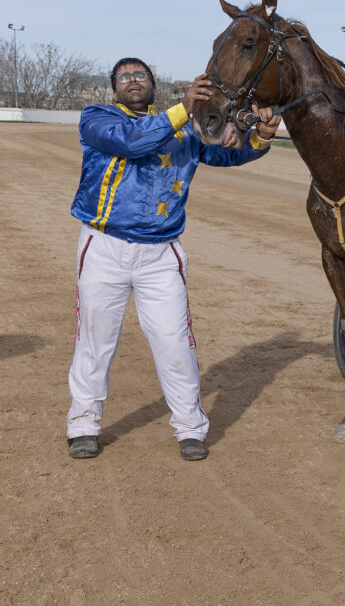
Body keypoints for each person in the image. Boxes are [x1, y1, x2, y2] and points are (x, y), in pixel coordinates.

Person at [66, 57, 281, 461]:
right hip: (104, 247)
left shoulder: (185, 128)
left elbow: (224, 153)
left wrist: (261, 139)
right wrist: (184, 109)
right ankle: (83, 424)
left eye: (140, 75)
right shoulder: (97, 117)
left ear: (153, 84)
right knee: (94, 341)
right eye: (125, 77)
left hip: (161, 253)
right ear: (114, 88)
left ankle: (190, 428)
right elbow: (130, 142)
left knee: (175, 343)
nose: (133, 80)